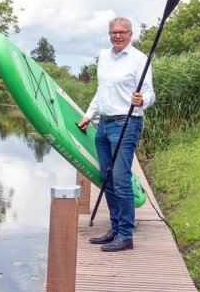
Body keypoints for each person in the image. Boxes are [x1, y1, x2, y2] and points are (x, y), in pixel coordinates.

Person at [77, 17, 155, 252]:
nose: (117, 36)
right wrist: (89, 114)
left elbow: (150, 93)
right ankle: (114, 228)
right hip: (104, 124)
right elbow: (101, 91)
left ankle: (126, 234)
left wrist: (142, 100)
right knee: (107, 179)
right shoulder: (103, 56)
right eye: (113, 32)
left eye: (122, 32)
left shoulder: (139, 59)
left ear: (130, 34)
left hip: (127, 122)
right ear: (109, 34)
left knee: (121, 180)